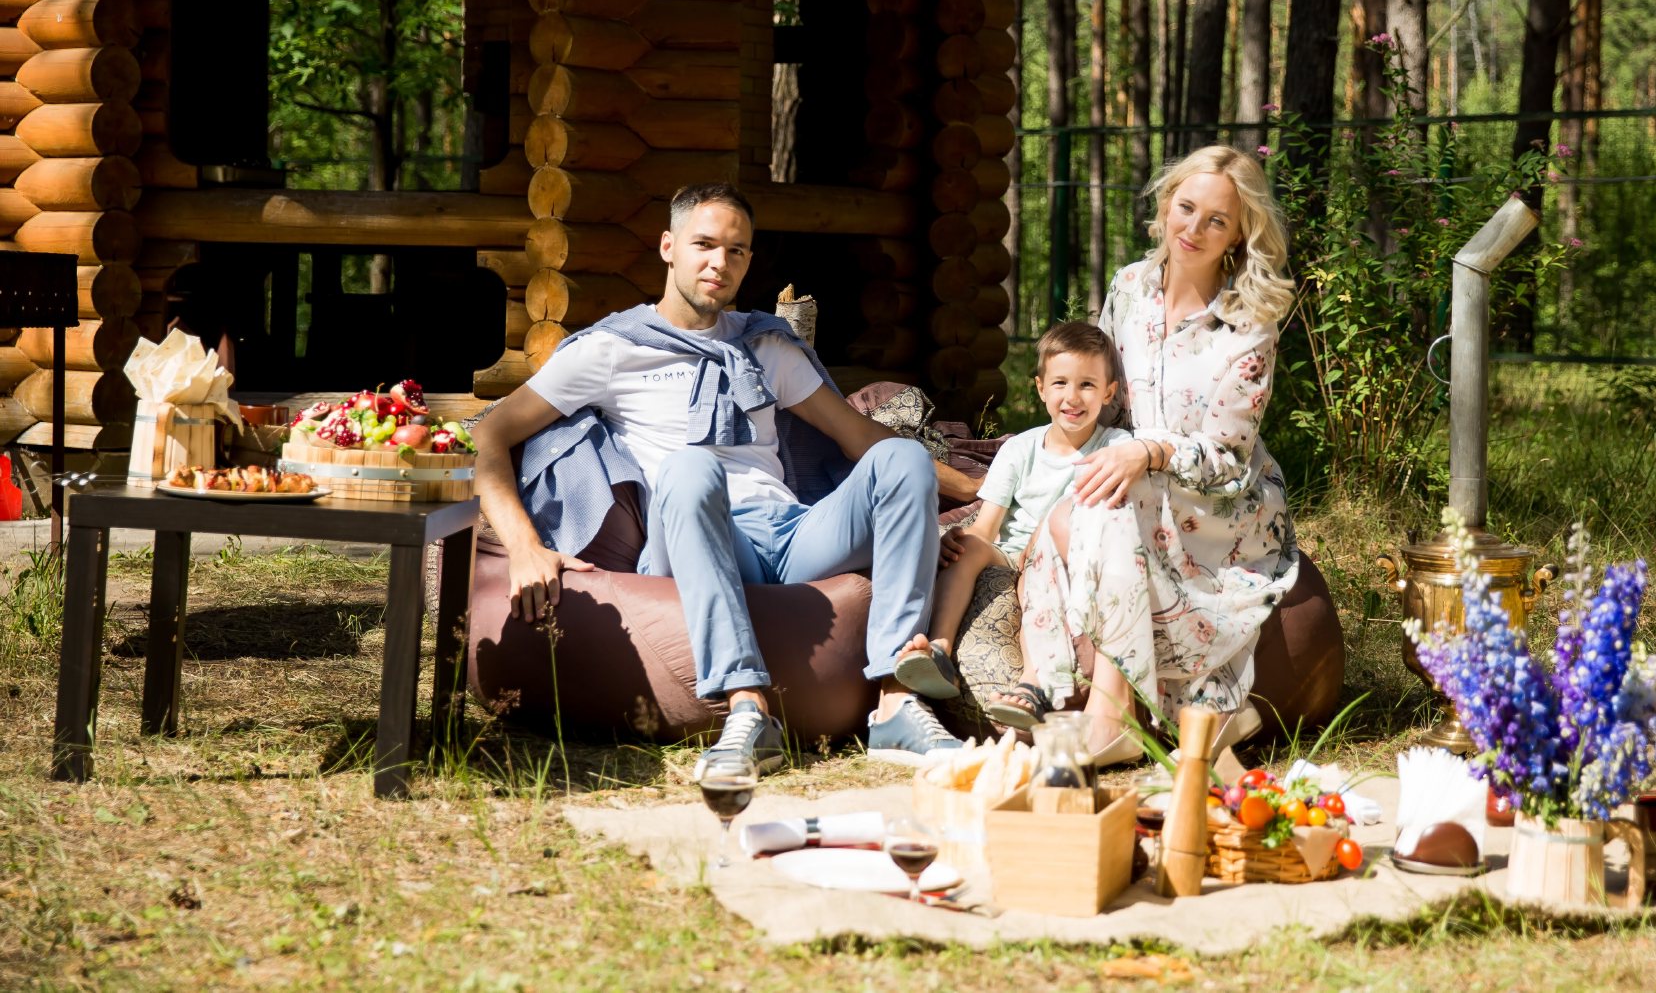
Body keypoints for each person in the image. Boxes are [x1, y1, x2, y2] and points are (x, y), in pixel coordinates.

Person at [471, 183, 981, 778]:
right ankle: (746, 709)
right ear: (668, 247)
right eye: (704, 245)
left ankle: (895, 701)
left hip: (790, 534)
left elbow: (860, 439)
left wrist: (976, 490)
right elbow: (489, 434)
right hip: (693, 531)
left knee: (903, 458)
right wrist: (525, 546)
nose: (720, 262)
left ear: (749, 260)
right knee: (690, 465)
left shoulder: (766, 346)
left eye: (736, 251)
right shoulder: (612, 350)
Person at [1007, 145, 1303, 764]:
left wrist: (1147, 453)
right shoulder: (1128, 288)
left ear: (1238, 234)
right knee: (1078, 506)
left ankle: (1109, 715)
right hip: (1128, 468)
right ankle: (1056, 687)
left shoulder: (1250, 324)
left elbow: (1228, 458)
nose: (1193, 229)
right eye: (1186, 208)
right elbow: (1105, 399)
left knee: (1104, 503)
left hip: (1219, 503)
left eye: (1216, 220)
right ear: (1167, 204)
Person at [886, 321, 1132, 709]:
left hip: (1066, 557)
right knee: (967, 547)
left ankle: (1032, 682)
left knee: (1038, 574)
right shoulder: (1019, 449)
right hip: (1012, 552)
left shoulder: (1115, 447)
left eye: (1087, 384)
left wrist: (1040, 550)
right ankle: (939, 650)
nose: (1072, 397)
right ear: (1040, 388)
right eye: (1060, 383)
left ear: (1109, 392)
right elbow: (986, 527)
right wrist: (955, 541)